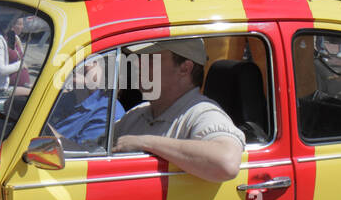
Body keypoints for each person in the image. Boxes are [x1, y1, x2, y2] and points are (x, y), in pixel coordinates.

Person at [113, 38, 244, 182]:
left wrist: (145, 143)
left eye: (150, 58)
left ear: (185, 68)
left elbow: (226, 163)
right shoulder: (137, 113)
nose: (137, 64)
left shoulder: (203, 113)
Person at [43, 55, 124, 152]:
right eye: (82, 59)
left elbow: (83, 153)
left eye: (93, 61)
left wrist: (41, 124)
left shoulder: (109, 111)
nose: (86, 65)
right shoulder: (69, 96)